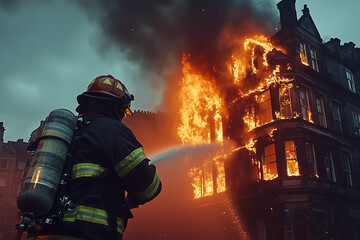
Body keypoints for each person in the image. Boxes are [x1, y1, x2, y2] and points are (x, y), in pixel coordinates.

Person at [30, 75, 162, 240]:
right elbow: (148, 188)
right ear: (120, 106)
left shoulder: (67, 133)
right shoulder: (113, 132)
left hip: (41, 234)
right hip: (87, 234)